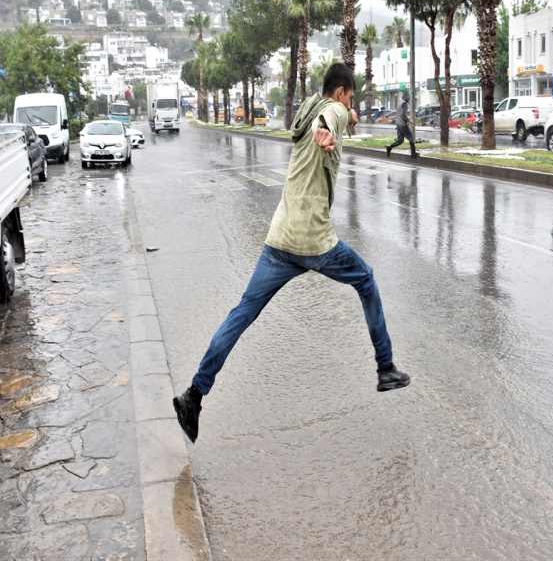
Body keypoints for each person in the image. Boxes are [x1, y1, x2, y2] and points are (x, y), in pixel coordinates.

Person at [173, 62, 410, 443]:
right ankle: (385, 368)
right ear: (341, 92)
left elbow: (330, 113)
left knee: (242, 314)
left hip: (279, 239)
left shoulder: (309, 109)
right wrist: (330, 133)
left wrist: (341, 118)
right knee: (365, 279)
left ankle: (193, 396)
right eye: (352, 98)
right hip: (314, 241)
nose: (352, 107)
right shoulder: (328, 114)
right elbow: (329, 120)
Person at [386, 89, 419, 159]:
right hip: (402, 124)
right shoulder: (404, 103)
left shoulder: (399, 102)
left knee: (400, 140)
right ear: (407, 98)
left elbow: (398, 113)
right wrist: (409, 120)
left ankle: (390, 147)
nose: (409, 99)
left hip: (398, 124)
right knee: (411, 137)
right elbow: (402, 114)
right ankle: (413, 154)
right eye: (408, 98)